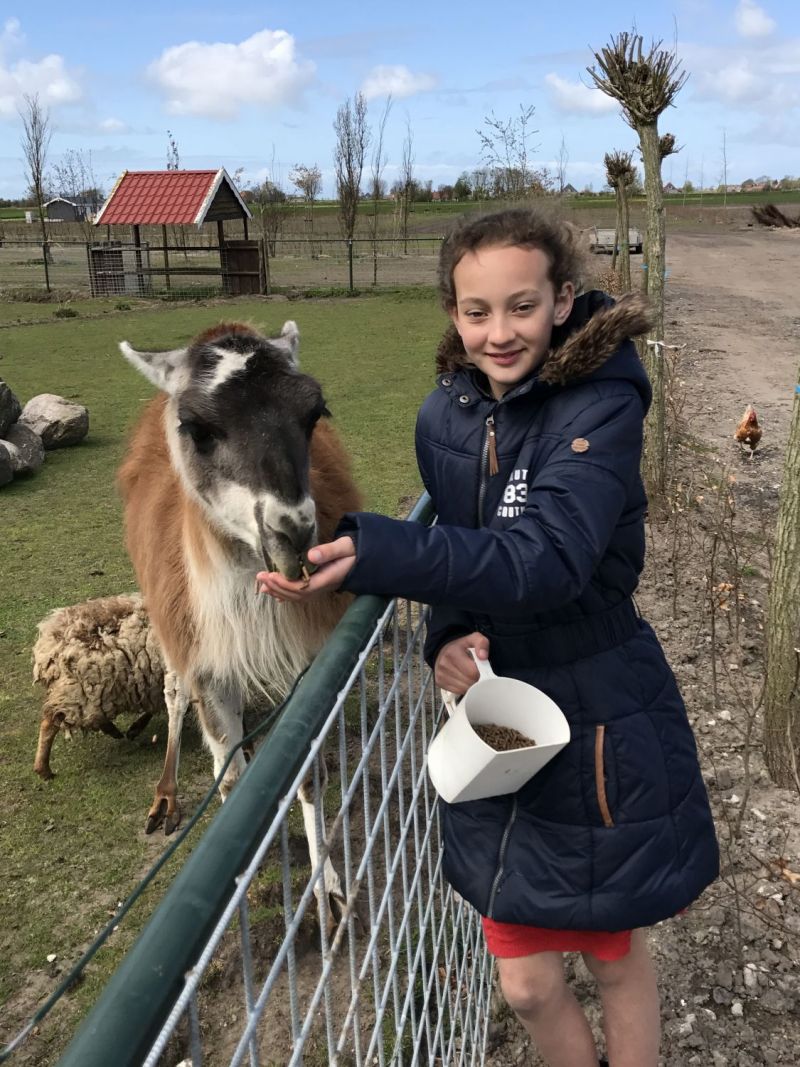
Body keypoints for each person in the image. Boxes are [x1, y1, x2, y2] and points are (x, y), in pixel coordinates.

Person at [258, 208, 719, 1067]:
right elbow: (468, 551)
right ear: (451, 311)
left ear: (562, 299)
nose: (499, 332)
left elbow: (548, 558)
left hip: (596, 708)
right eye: (477, 311)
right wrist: (447, 632)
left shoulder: (602, 401)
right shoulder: (446, 417)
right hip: (497, 718)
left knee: (613, 955)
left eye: (522, 306)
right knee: (528, 982)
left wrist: (380, 551)